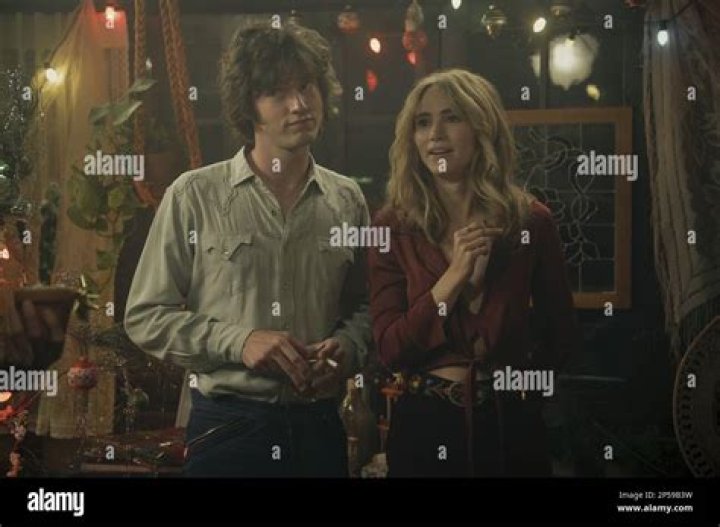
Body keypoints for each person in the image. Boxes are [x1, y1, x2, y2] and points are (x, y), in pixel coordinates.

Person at [124, 23, 372, 477]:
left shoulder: (347, 199)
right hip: (229, 427)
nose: (299, 105)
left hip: (320, 427)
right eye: (277, 92)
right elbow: (145, 316)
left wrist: (346, 348)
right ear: (248, 106)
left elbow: (367, 306)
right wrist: (238, 342)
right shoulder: (194, 195)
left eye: (306, 86)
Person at [369, 69, 581, 477]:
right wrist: (451, 281)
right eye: (423, 122)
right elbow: (390, 349)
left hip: (510, 427)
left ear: (483, 128)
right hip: (423, 427)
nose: (435, 135)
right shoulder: (392, 226)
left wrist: (518, 391)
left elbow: (562, 338)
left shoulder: (531, 221)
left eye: (452, 118)